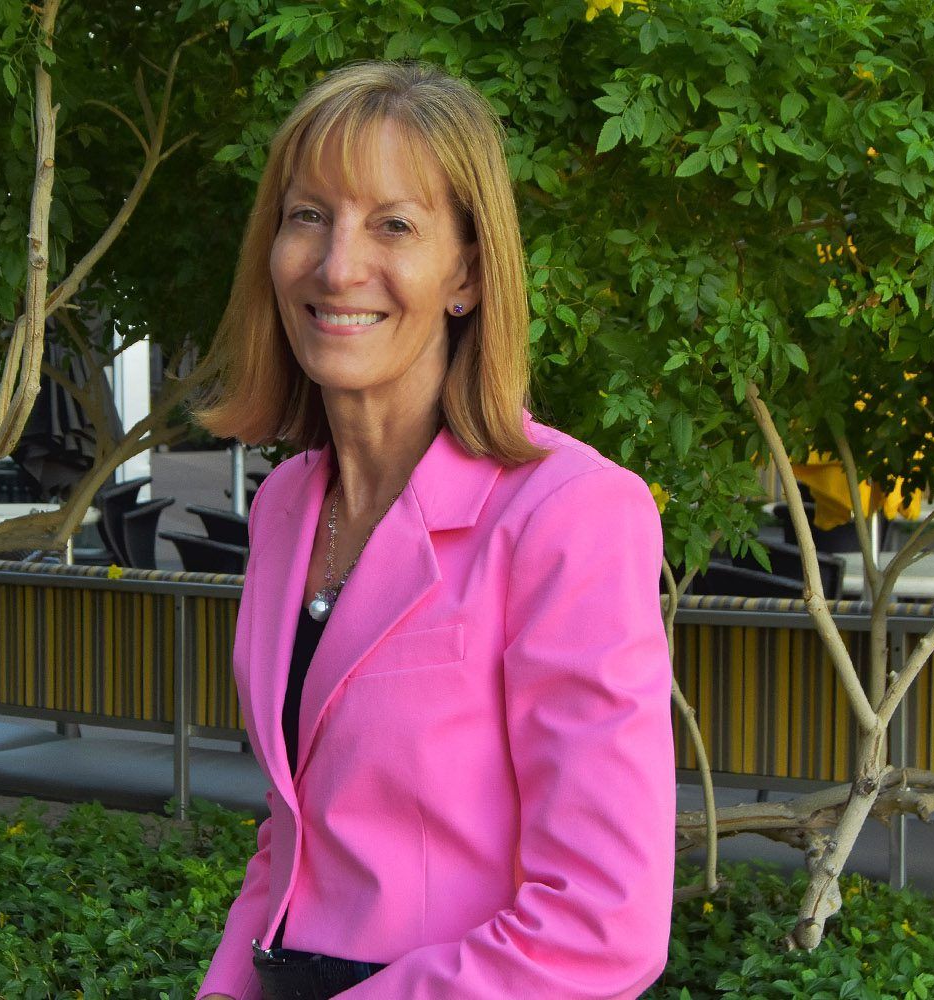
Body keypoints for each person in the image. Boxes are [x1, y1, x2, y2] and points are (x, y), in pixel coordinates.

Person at [193, 60, 675, 1000]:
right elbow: (296, 834)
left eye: (395, 225)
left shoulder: (568, 514)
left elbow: (603, 926)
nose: (337, 265)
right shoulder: (286, 504)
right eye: (307, 216)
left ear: (466, 274)